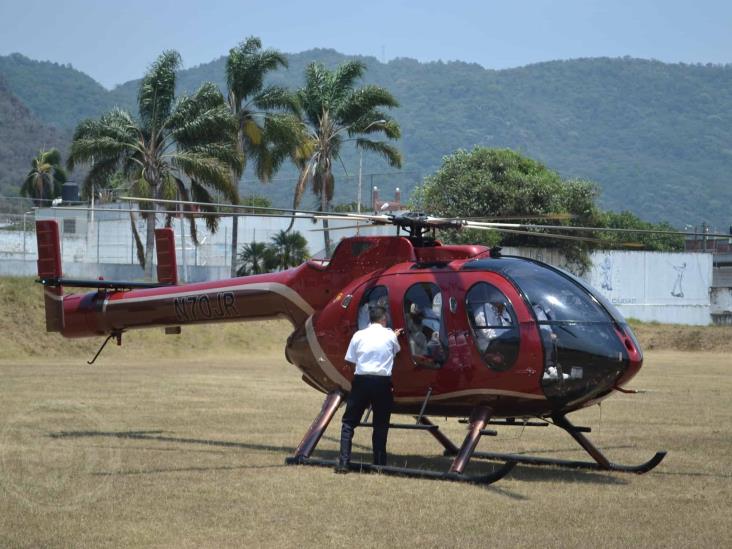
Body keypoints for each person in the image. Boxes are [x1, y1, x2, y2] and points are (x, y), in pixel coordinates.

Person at [336, 306, 403, 473]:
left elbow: (350, 359)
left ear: (369, 320)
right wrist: (395, 335)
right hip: (382, 383)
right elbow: (396, 351)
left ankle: (344, 462)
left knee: (348, 423)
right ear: (384, 319)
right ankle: (379, 464)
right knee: (380, 425)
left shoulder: (358, 335)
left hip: (361, 381)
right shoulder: (389, 335)